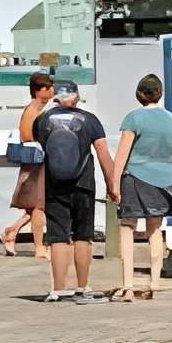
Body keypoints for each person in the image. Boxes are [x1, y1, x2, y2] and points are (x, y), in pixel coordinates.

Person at [33, 77, 114, 301]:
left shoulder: (42, 121)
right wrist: (112, 184)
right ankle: (82, 286)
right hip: (83, 184)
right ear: (76, 96)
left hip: (54, 184)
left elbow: (43, 149)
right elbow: (103, 154)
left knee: (58, 237)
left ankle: (58, 289)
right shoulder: (89, 120)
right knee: (82, 236)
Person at [111, 72, 172, 302]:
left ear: (139, 94)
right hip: (164, 179)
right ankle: (155, 281)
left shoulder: (133, 118)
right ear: (160, 94)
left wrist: (114, 183)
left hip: (135, 175)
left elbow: (122, 154)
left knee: (127, 228)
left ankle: (128, 285)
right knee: (155, 230)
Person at [0, 68, 56, 257]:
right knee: (38, 206)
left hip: (40, 162)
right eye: (48, 87)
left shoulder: (40, 110)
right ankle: (39, 247)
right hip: (35, 163)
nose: (52, 90)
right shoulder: (32, 110)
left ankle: (12, 231)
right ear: (39, 90)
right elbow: (26, 136)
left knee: (36, 207)